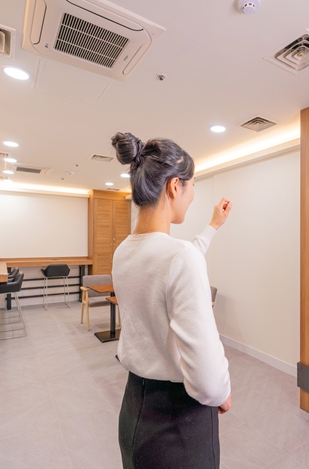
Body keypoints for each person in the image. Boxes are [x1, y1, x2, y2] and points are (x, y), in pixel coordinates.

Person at [110, 132, 232, 469]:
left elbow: (171, 262)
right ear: (175, 186)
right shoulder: (179, 257)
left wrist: (212, 226)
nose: (192, 195)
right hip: (179, 425)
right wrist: (221, 392)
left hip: (134, 410)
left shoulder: (123, 252)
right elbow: (207, 377)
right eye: (192, 185)